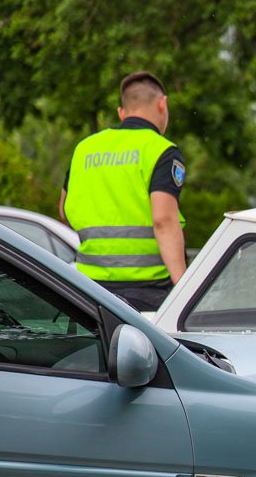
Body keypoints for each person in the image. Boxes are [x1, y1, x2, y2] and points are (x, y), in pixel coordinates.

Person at [60, 71, 186, 312]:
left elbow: (64, 211)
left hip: (88, 290)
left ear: (122, 112)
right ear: (163, 104)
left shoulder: (85, 149)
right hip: (148, 293)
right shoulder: (161, 150)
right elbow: (164, 221)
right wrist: (184, 288)